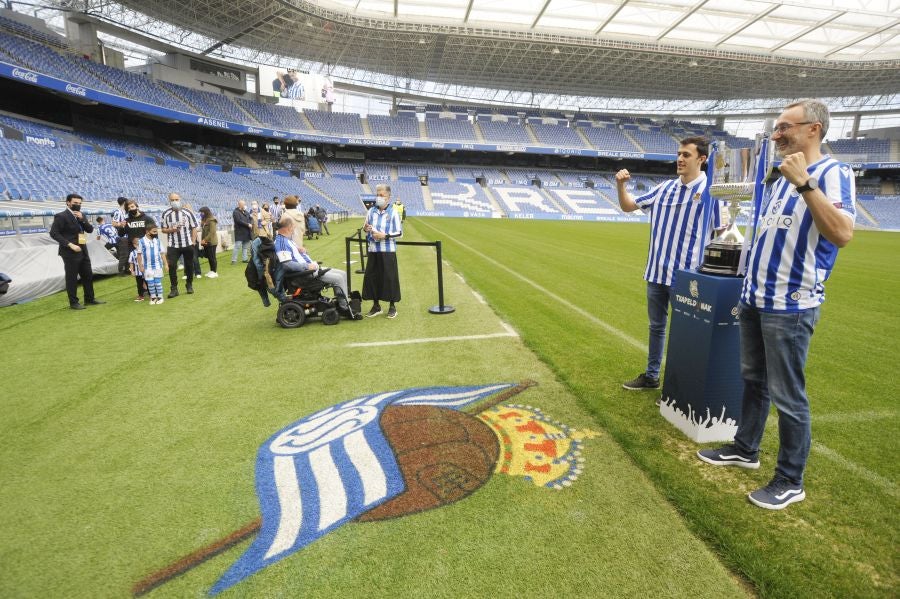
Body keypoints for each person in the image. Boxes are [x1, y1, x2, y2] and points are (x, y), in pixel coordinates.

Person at [697, 99, 856, 510]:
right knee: (753, 380)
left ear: (813, 129)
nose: (777, 133)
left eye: (786, 126)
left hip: (791, 304)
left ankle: (790, 479)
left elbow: (842, 233)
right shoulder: (777, 177)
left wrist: (805, 184)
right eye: (776, 127)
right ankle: (745, 448)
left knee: (788, 395)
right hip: (756, 297)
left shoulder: (832, 173)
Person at [615, 136, 719, 391]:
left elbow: (722, 232)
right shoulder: (664, 188)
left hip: (687, 279)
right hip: (656, 273)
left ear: (702, 159)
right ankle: (652, 377)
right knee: (656, 328)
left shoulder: (711, 192)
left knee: (687, 334)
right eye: (679, 154)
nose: (680, 159)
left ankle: (680, 388)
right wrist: (621, 185)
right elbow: (628, 206)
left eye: (686, 155)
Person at [49, 193, 104, 310]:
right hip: (69, 251)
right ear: (68, 202)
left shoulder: (81, 215)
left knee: (87, 274)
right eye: (75, 203)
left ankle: (89, 299)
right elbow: (54, 233)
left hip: (83, 248)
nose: (77, 205)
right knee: (72, 277)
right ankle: (74, 303)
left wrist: (82, 219)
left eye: (79, 203)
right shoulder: (61, 216)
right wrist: (70, 245)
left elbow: (89, 230)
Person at [274, 217, 348, 299]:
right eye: (293, 227)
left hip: (311, 270)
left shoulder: (286, 240)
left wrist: (301, 251)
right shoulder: (281, 242)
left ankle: (344, 302)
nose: (294, 230)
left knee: (343, 274)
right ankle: (344, 305)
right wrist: (307, 266)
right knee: (338, 278)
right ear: (289, 228)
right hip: (305, 275)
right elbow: (286, 264)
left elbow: (294, 257)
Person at [362, 184, 402, 319]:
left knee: (389, 278)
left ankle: (392, 306)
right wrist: (366, 228)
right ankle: (376, 305)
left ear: (388, 197)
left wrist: (385, 236)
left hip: (387, 250)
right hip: (373, 249)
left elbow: (399, 232)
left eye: (382, 195)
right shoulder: (371, 211)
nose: (379, 197)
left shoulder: (393, 212)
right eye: (377, 195)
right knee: (372, 277)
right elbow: (365, 227)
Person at [160, 192, 199, 297]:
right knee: (172, 266)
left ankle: (189, 285)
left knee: (189, 265)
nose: (174, 202)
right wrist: (171, 230)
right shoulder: (165, 214)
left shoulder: (188, 212)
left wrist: (193, 242)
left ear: (180, 199)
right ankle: (174, 289)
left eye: (176, 200)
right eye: (172, 200)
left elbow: (194, 227)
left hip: (187, 244)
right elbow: (163, 229)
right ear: (169, 201)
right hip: (173, 245)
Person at [137, 221, 168, 305]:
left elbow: (162, 253)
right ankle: (153, 298)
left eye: (156, 231)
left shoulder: (157, 241)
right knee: (150, 283)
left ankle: (160, 297)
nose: (156, 233)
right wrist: (140, 266)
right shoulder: (141, 241)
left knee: (157, 282)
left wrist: (166, 264)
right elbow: (139, 255)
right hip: (147, 267)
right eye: (154, 231)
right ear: (147, 232)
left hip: (158, 265)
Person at [111, 196, 131, 275]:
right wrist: (121, 224)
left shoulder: (126, 212)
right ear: (124, 203)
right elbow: (113, 223)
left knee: (128, 254)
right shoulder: (118, 212)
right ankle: (120, 271)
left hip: (128, 236)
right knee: (124, 254)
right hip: (121, 236)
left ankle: (127, 269)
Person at [199, 207, 219, 278]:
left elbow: (212, 232)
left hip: (212, 242)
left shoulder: (212, 220)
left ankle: (214, 272)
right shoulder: (205, 220)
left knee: (212, 257)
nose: (201, 214)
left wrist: (205, 240)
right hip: (206, 242)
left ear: (206, 212)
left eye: (202, 212)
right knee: (209, 257)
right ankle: (211, 270)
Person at [232, 200, 252, 264]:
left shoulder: (246, 212)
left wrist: (250, 223)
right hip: (239, 232)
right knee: (237, 246)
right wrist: (247, 224)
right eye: (244, 204)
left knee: (245, 247)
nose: (245, 205)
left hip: (247, 232)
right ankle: (234, 260)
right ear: (240, 205)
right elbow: (238, 221)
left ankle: (245, 259)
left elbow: (250, 219)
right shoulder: (235, 212)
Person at [128, 237, 146, 302]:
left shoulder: (145, 251)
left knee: (149, 282)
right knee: (139, 284)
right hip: (138, 273)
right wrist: (132, 271)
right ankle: (141, 296)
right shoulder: (132, 253)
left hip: (146, 271)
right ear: (134, 245)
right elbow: (131, 262)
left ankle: (152, 295)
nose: (139, 246)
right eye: (138, 244)